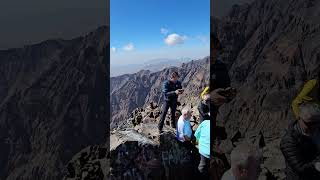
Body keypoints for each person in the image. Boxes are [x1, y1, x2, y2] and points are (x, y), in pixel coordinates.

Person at [280, 103, 320, 180]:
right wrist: (317, 164)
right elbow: (300, 169)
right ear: (299, 118)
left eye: (317, 122)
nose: (314, 127)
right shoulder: (289, 141)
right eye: (309, 123)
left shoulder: (318, 127)